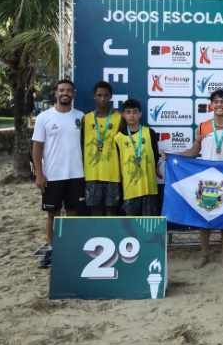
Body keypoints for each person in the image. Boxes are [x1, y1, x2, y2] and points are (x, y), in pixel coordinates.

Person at [181, 89, 223, 268]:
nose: (219, 105)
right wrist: (174, 156)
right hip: (206, 179)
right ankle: (204, 254)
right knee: (205, 217)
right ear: (211, 105)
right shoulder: (202, 126)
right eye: (216, 102)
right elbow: (194, 152)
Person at [31, 79, 85, 268]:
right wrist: (39, 174)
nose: (65, 93)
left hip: (77, 174)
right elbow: (37, 147)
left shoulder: (81, 117)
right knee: (52, 214)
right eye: (61, 90)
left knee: (73, 214)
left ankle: (71, 249)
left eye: (69, 90)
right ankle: (51, 249)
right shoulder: (44, 117)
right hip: (53, 175)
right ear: (55, 93)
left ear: (73, 94)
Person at [114, 99, 162, 215]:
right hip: (130, 189)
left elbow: (155, 156)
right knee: (132, 223)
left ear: (140, 114)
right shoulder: (118, 137)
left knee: (149, 222)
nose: (132, 115)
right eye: (128, 112)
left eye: (135, 112)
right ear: (123, 115)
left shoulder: (149, 133)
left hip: (149, 188)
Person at [81, 81, 122, 216]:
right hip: (92, 175)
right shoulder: (86, 119)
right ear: (94, 96)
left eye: (106, 95)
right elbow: (80, 144)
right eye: (99, 95)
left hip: (112, 174)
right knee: (95, 212)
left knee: (111, 212)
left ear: (110, 97)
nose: (102, 98)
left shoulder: (119, 118)